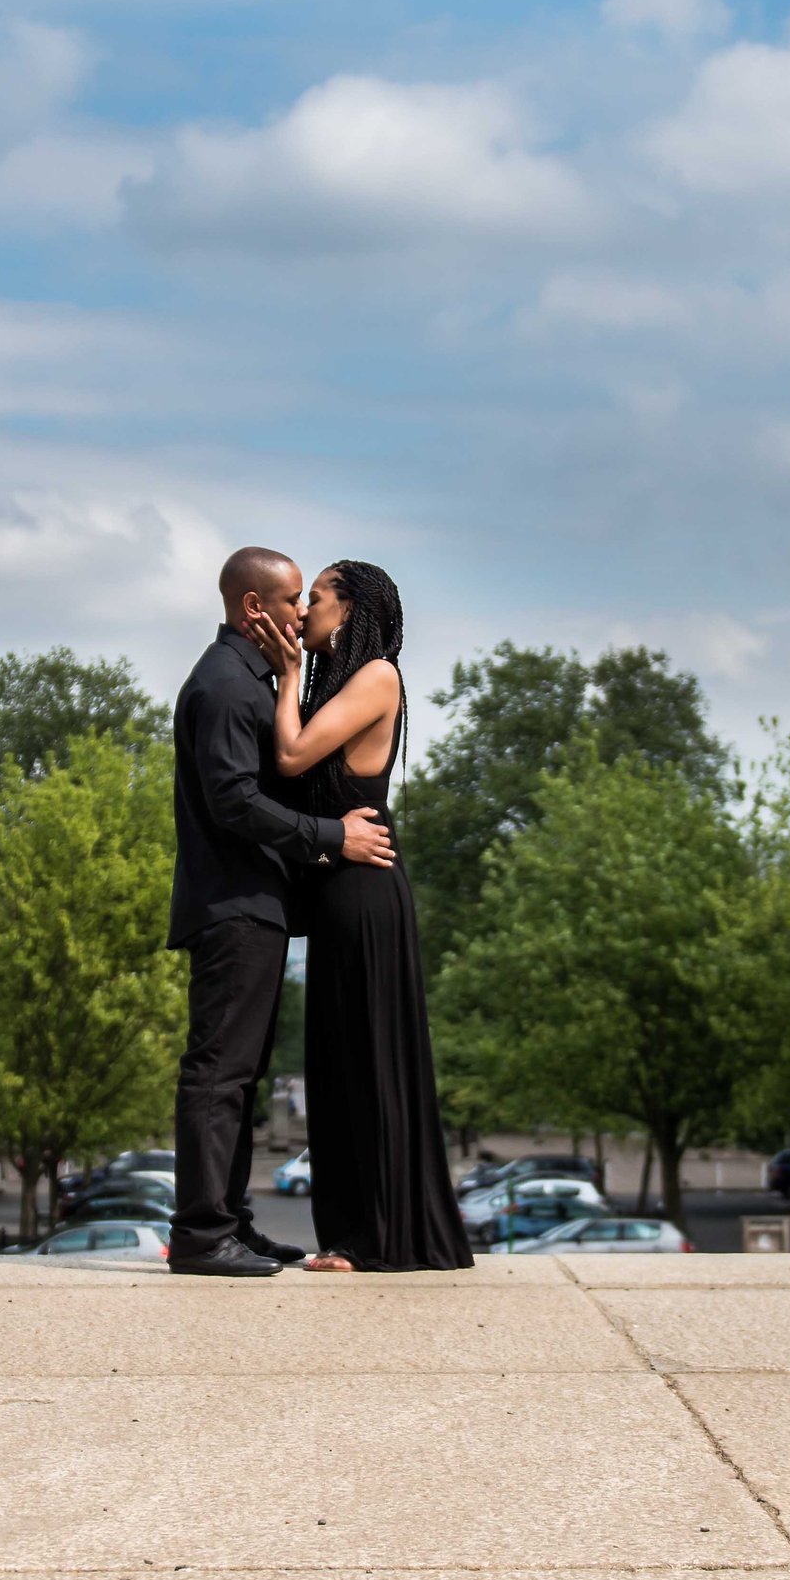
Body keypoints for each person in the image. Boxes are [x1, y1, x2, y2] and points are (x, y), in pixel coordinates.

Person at [164, 547, 394, 1277]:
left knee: (241, 1076)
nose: (302, 611)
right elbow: (236, 803)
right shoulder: (229, 685)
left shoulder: (250, 678)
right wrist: (333, 838)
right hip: (233, 905)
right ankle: (203, 1236)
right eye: (294, 599)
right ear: (254, 608)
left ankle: (233, 1224)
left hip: (253, 905)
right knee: (218, 1073)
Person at [256, 561, 472, 1271]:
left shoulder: (377, 673)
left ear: (348, 609)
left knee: (367, 1061)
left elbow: (290, 756)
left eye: (314, 598)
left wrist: (288, 674)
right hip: (340, 891)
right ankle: (353, 1235)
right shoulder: (341, 684)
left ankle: (378, 1239)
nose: (302, 610)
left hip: (366, 893)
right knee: (339, 1061)